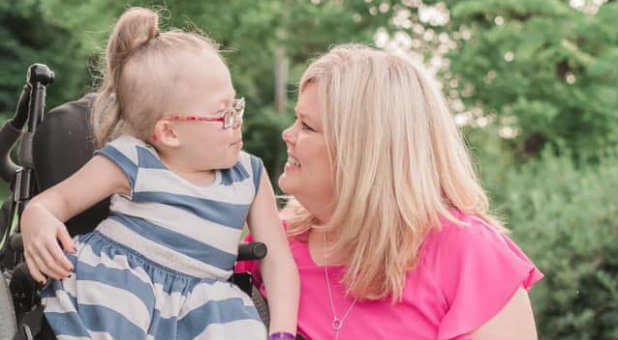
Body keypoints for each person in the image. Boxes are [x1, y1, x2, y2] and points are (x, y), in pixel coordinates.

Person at [20, 7, 299, 340]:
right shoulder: (135, 160)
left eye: (236, 107)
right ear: (169, 133)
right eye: (222, 114)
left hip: (206, 306)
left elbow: (279, 263)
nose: (237, 122)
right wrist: (36, 219)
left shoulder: (248, 175)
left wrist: (282, 332)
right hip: (122, 288)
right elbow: (52, 203)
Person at [237, 44, 543, 340]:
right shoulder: (273, 246)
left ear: (363, 152)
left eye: (307, 126)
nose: (287, 134)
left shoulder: (470, 253)